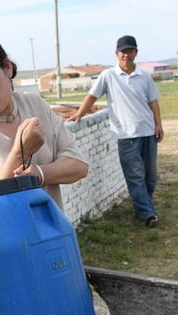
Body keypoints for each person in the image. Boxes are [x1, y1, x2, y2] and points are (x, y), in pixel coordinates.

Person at [0, 34, 88, 210]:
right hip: (4, 237)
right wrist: (20, 152)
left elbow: (78, 165)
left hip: (54, 233)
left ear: (7, 67)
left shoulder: (34, 105)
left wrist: (39, 174)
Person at [69, 35, 164, 228]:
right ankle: (147, 214)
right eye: (123, 51)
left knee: (150, 176)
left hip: (148, 132)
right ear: (116, 53)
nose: (126, 55)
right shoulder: (108, 76)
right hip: (126, 136)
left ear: (136, 53)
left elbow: (153, 101)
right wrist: (79, 114)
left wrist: (158, 125)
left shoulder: (144, 76)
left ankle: (145, 205)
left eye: (130, 51)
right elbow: (92, 96)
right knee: (135, 176)